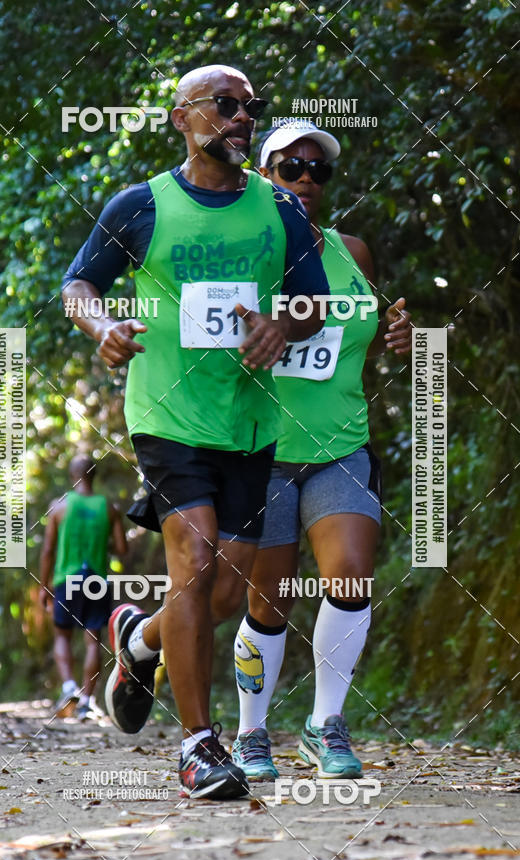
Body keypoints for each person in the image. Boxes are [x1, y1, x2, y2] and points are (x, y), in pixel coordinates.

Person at [61, 65, 330, 799]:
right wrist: (103, 324)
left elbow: (315, 302)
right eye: (226, 105)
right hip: (167, 416)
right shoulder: (142, 206)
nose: (242, 117)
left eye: (250, 108)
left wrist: (282, 323)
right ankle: (199, 745)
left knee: (220, 590)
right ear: (183, 117)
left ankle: (139, 640)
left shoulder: (280, 208)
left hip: (249, 419)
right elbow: (78, 284)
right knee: (198, 553)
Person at [231, 121, 413, 782]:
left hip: (341, 446)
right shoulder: (241, 251)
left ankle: (324, 722)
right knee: (266, 601)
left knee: (352, 576)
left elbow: (363, 334)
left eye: (319, 170)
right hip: (262, 451)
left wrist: (403, 340)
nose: (307, 178)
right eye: (290, 167)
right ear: (262, 174)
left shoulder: (353, 253)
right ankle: (252, 734)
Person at [39, 454, 128, 720]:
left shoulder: (60, 506)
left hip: (67, 579)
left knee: (62, 635)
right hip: (97, 580)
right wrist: (102, 545)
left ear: (72, 476)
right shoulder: (108, 507)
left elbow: (48, 551)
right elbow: (123, 549)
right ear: (93, 476)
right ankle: (87, 700)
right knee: (93, 641)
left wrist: (44, 586)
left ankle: (69, 688)